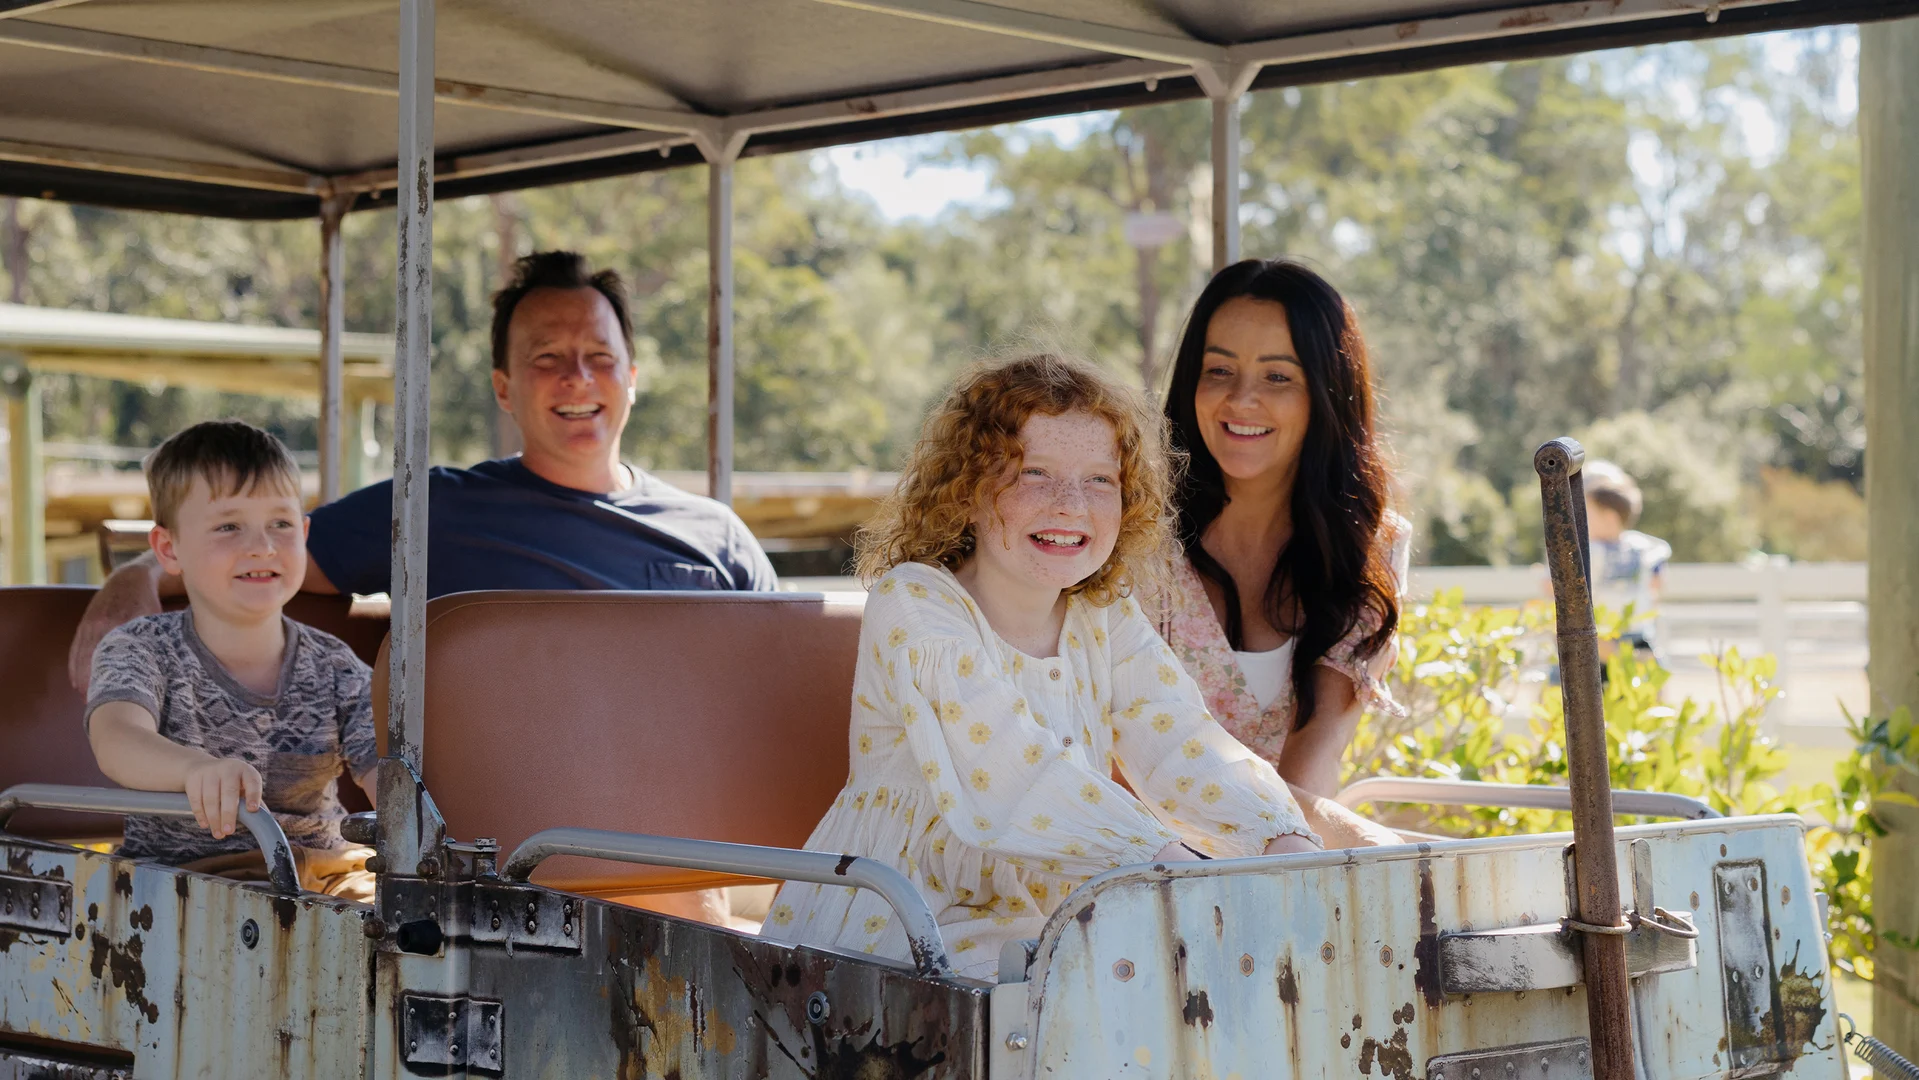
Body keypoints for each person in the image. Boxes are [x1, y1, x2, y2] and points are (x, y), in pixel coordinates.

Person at [761, 353, 1317, 978]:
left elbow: (1180, 739)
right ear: (966, 491)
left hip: (1052, 910)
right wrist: (1165, 861)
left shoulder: (1102, 615)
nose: (1070, 504)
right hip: (909, 914)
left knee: (1220, 973)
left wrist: (1277, 838)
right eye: (1034, 473)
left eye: (1101, 480)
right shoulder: (918, 603)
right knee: (1097, 986)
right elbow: (1009, 773)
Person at [67, 250, 777, 690]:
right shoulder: (434, 510)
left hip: (697, 832)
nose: (577, 379)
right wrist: (132, 580)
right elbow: (259, 553)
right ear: (503, 388)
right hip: (525, 841)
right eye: (546, 359)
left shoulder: (716, 537)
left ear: (632, 377)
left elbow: (783, 680)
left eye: (599, 357)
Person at [1153, 259, 1407, 846]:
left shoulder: (1370, 547)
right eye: (1219, 370)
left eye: (1277, 377)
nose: (1241, 400)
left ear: (1326, 394)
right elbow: (1127, 768)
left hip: (1282, 860)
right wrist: (1378, 845)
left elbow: (1316, 748)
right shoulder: (1134, 534)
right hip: (1130, 873)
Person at [85, 421, 377, 899]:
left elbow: (385, 771)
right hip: (186, 881)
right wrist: (194, 769)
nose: (262, 546)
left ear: (303, 534)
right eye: (228, 526)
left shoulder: (336, 666)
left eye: (280, 524)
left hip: (321, 877)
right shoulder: (140, 647)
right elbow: (117, 737)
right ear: (168, 549)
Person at [1583, 459, 1670, 662]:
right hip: (1634, 632)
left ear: (1610, 518)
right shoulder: (1644, 545)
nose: (1584, 522)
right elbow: (1658, 578)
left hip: (1604, 635)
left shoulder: (1591, 550)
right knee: (1649, 675)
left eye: (1588, 516)